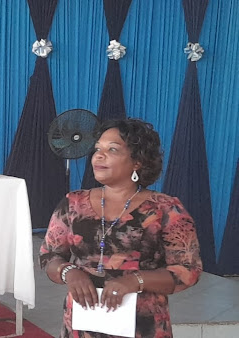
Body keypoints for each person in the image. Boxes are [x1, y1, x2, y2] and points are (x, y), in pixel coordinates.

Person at [39, 118, 202, 337]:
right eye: (97, 149)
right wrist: (69, 272)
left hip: (142, 325)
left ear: (137, 162)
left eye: (112, 149)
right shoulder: (73, 203)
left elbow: (188, 270)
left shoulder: (166, 209)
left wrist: (135, 280)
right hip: (82, 323)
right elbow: (49, 256)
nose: (99, 155)